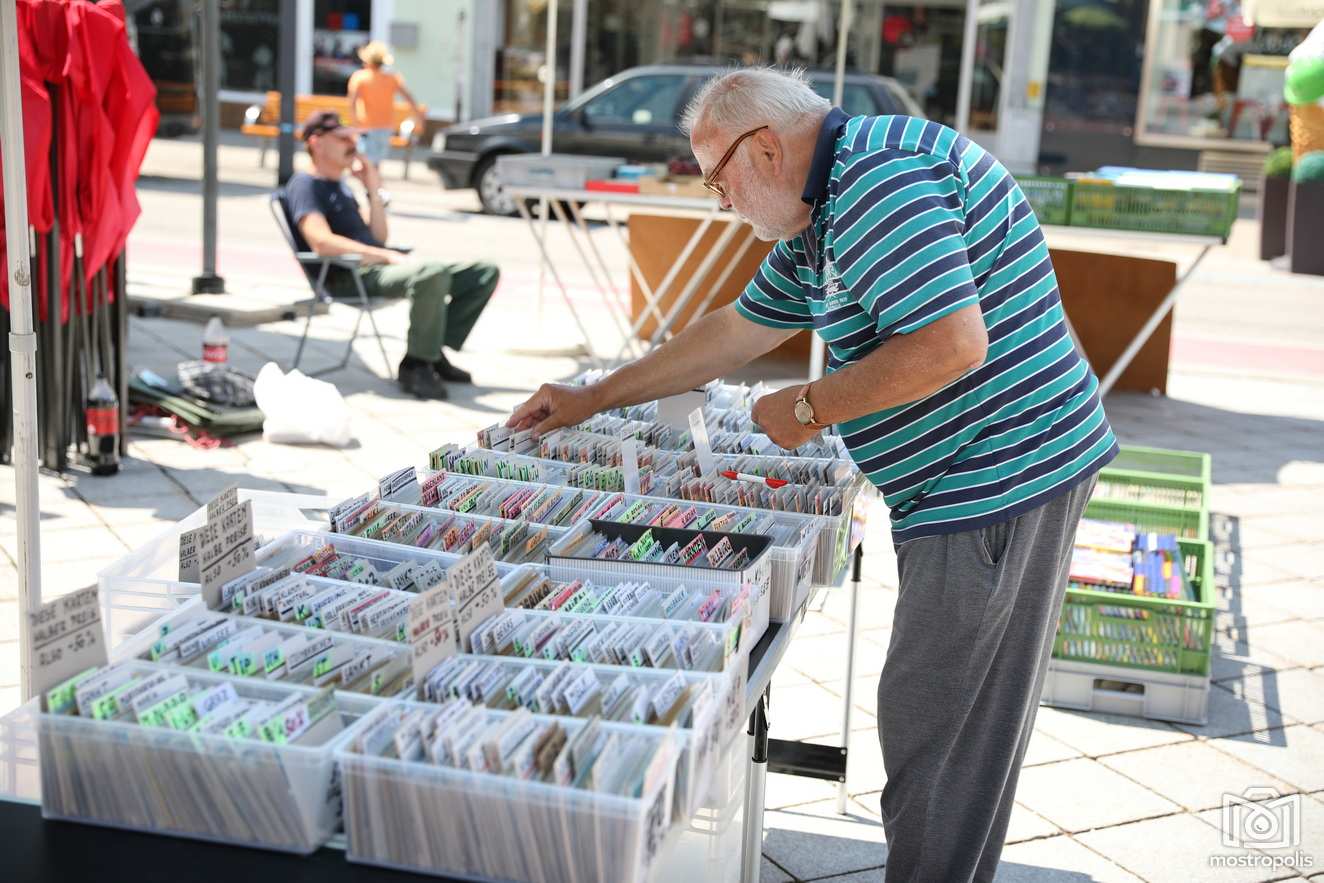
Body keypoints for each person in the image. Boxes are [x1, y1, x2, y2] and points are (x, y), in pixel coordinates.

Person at [508, 68, 1117, 882]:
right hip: (968, 477)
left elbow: (950, 346)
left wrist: (809, 407)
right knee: (938, 720)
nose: (718, 201)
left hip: (999, 474)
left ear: (763, 148)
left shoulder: (878, 184)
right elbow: (734, 330)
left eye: (716, 179)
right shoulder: (825, 198)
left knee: (942, 731)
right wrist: (592, 397)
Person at [286, 111, 498, 400]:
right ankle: (416, 365)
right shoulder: (305, 185)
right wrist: (385, 256)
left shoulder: (341, 186)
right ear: (317, 143)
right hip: (348, 275)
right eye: (343, 138)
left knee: (484, 273)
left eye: (353, 137)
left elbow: (378, 236)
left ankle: (431, 351)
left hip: (372, 267)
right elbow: (321, 242)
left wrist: (372, 188)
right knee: (432, 274)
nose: (353, 144)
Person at [347, 40, 422, 167]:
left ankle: (372, 184)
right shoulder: (392, 78)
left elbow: (352, 102)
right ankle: (375, 184)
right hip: (386, 126)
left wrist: (355, 123)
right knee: (376, 162)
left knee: (367, 161)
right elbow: (408, 97)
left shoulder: (360, 77)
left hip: (367, 126)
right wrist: (418, 115)